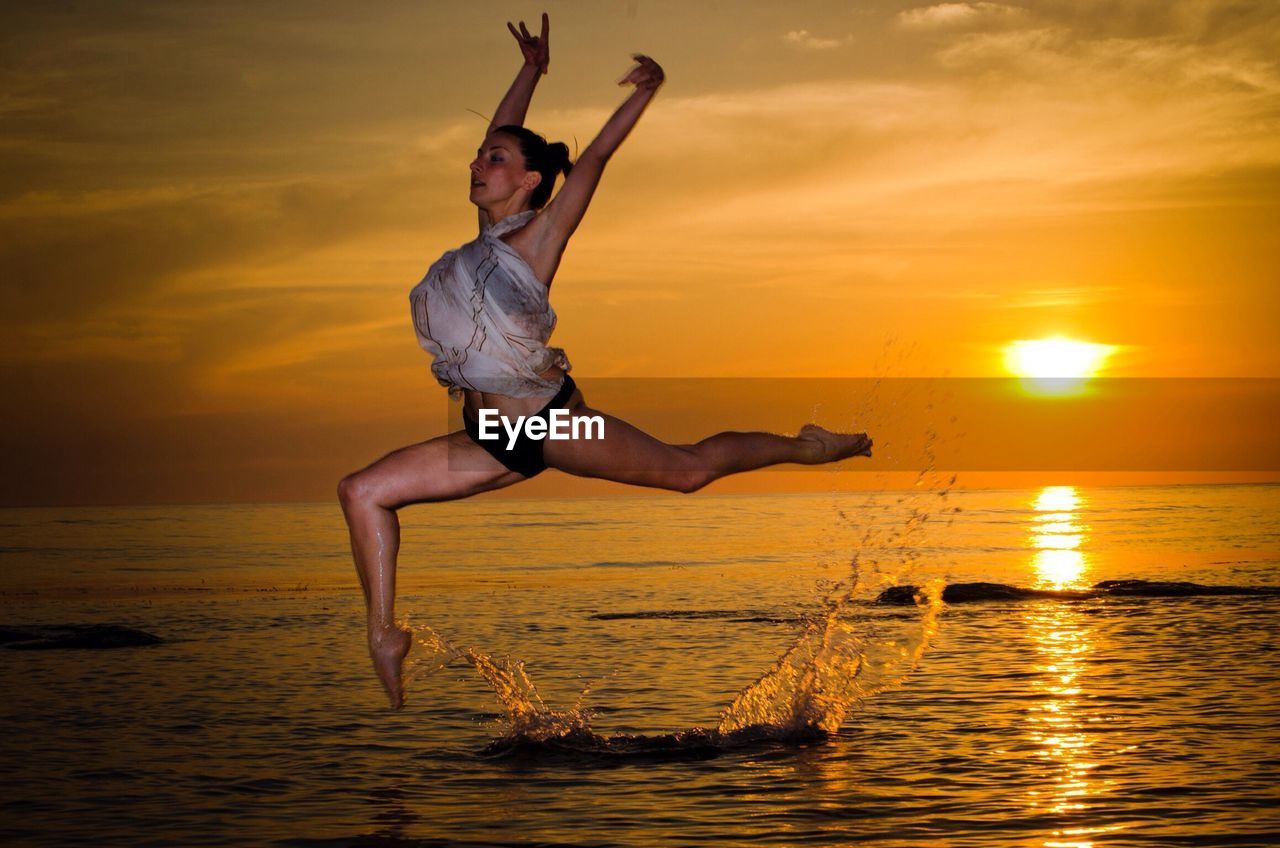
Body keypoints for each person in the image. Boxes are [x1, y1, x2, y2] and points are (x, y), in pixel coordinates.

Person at [338, 14, 872, 709]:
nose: (477, 163)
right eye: (479, 156)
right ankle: (384, 635)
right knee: (361, 491)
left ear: (529, 181)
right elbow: (504, 130)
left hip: (555, 426)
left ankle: (806, 448)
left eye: (494, 159)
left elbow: (591, 163)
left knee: (687, 471)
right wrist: (533, 69)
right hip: (493, 438)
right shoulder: (483, 240)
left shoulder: (538, 239)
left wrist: (644, 92)